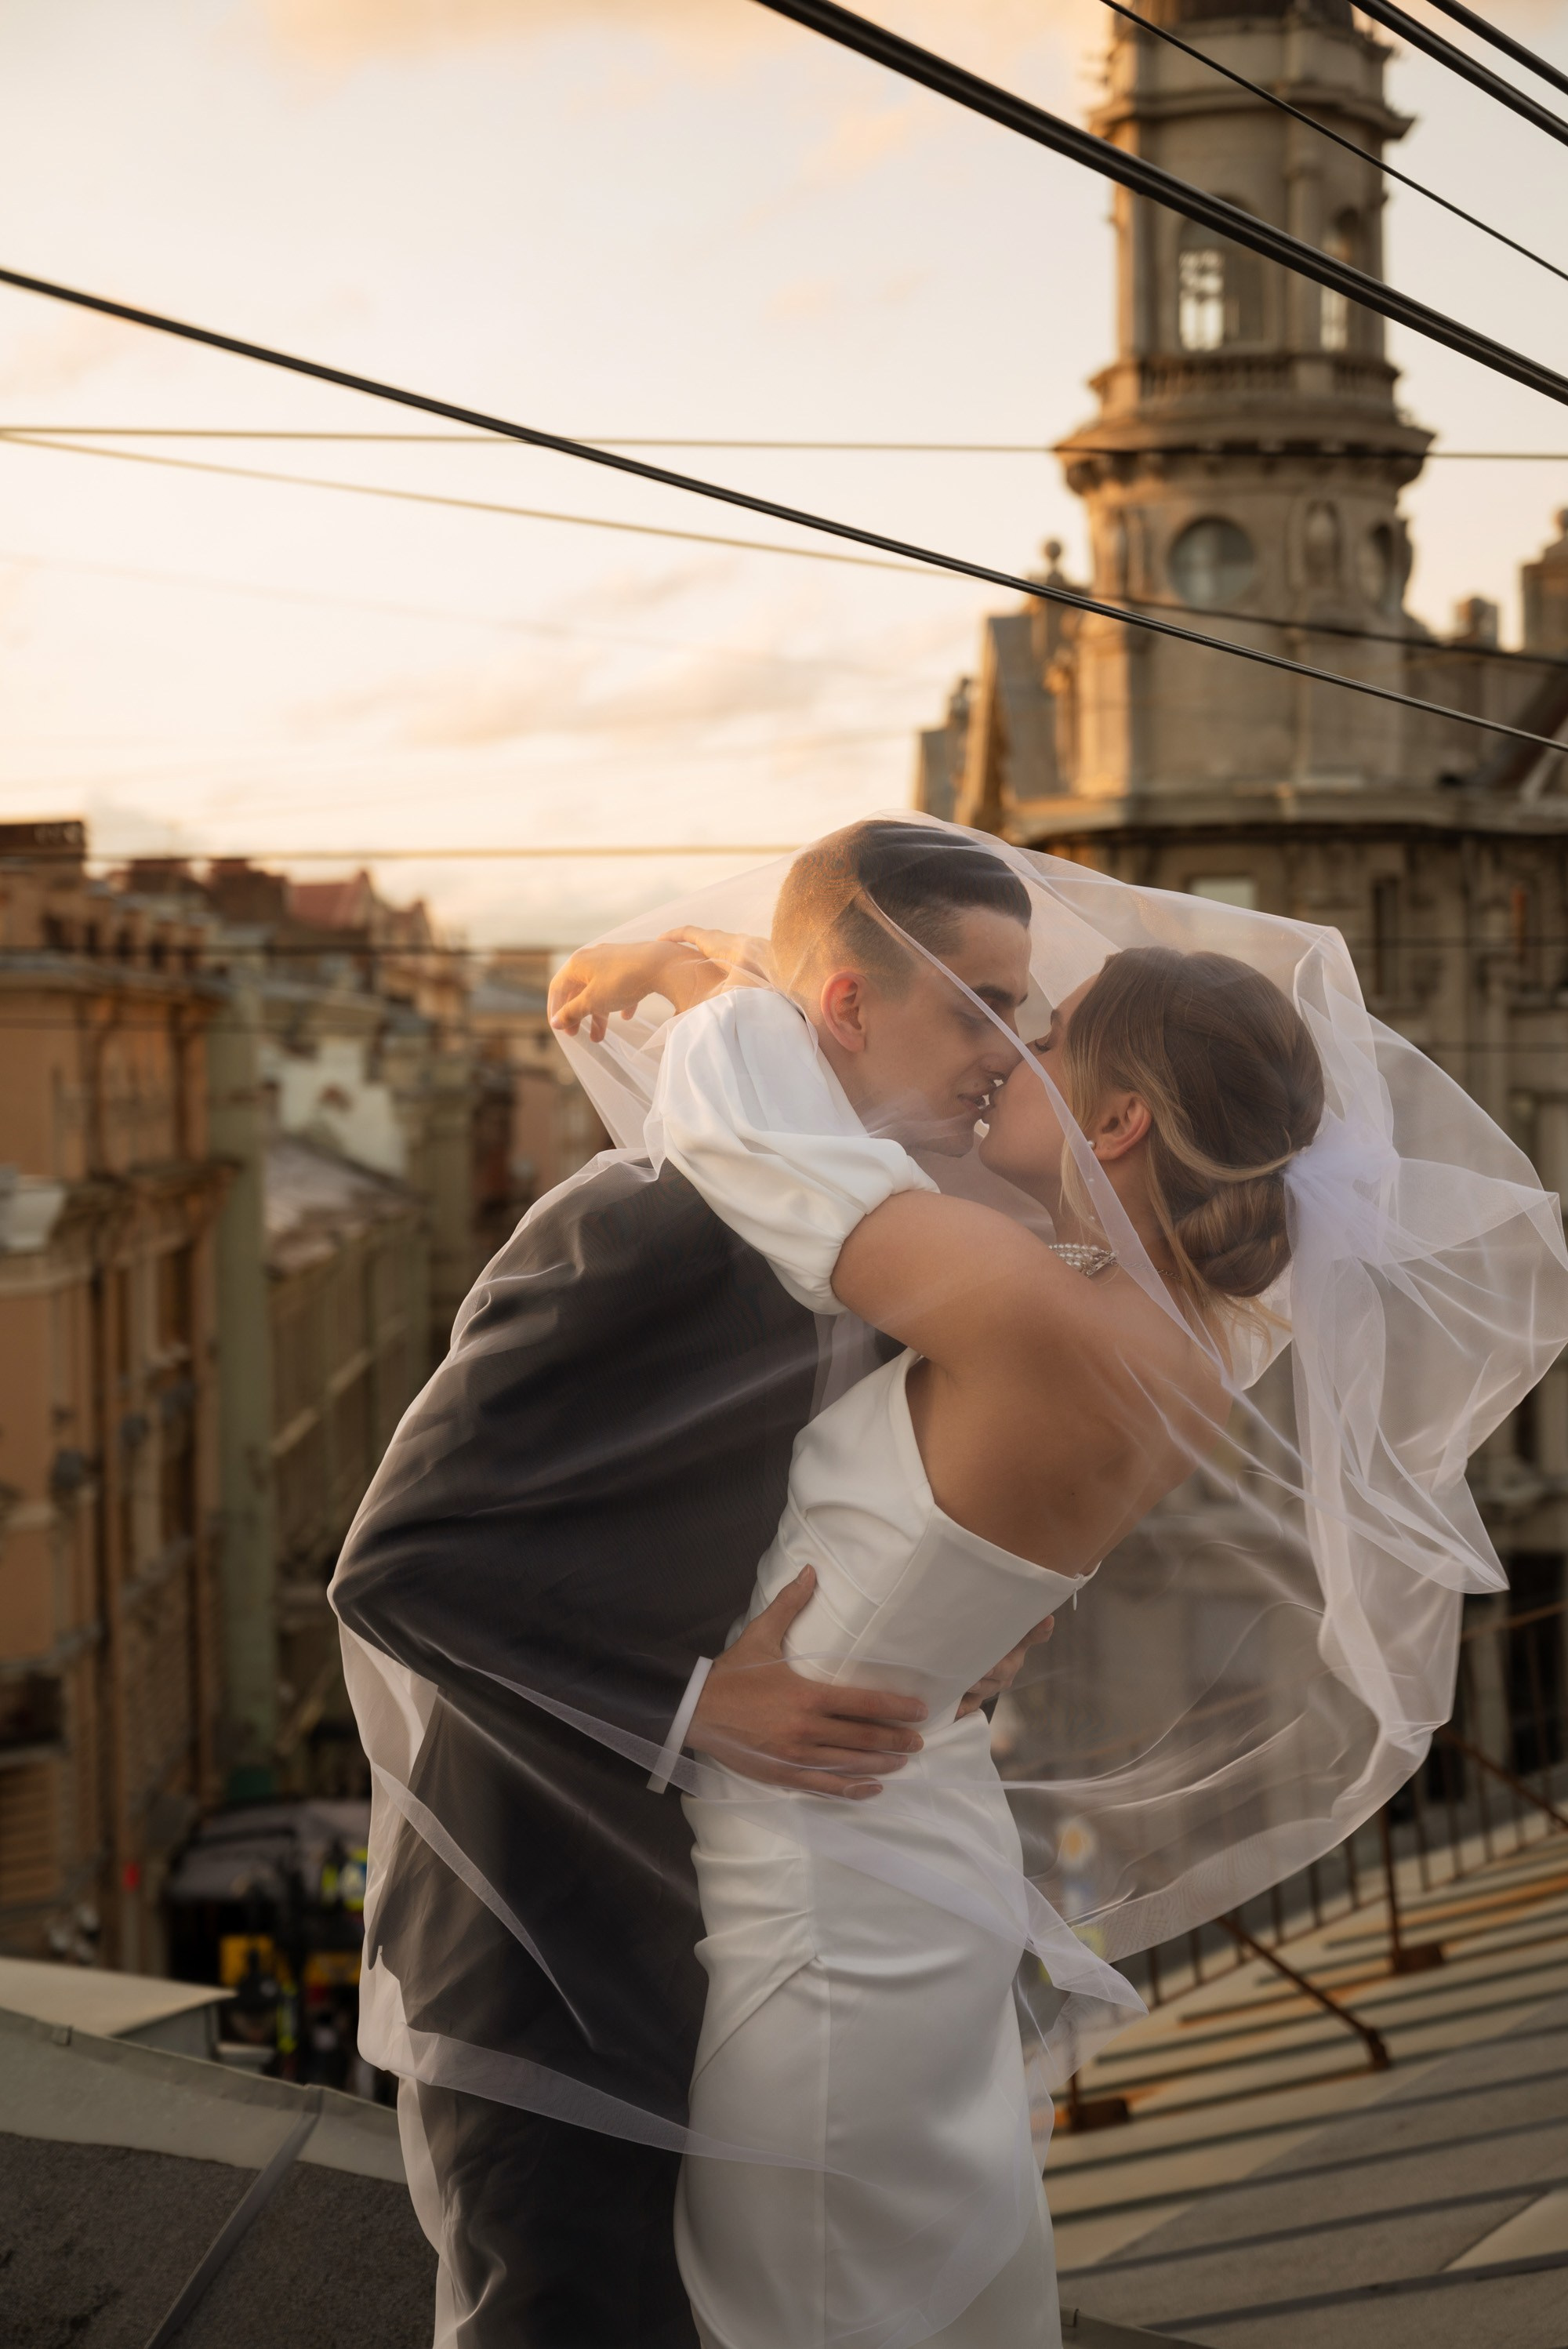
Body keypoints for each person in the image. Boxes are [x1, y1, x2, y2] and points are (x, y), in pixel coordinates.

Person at [331, 821, 1049, 2349]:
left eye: (1022, 1003)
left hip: (727, 1912)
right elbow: (394, 1568)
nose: (1015, 1043)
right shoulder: (638, 1219)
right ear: (853, 1011)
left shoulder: (859, 1230)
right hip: (539, 1918)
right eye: (982, 1003)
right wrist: (690, 1704)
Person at [667, 946, 1321, 2348]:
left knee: (808, 2300)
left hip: (825, 1872)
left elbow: (748, 1133)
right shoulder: (1190, 1339)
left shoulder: (1025, 1303)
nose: (1015, 1040)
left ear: (1121, 1119)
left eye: (1051, 1029)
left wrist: (708, 976)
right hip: (903, 1823)